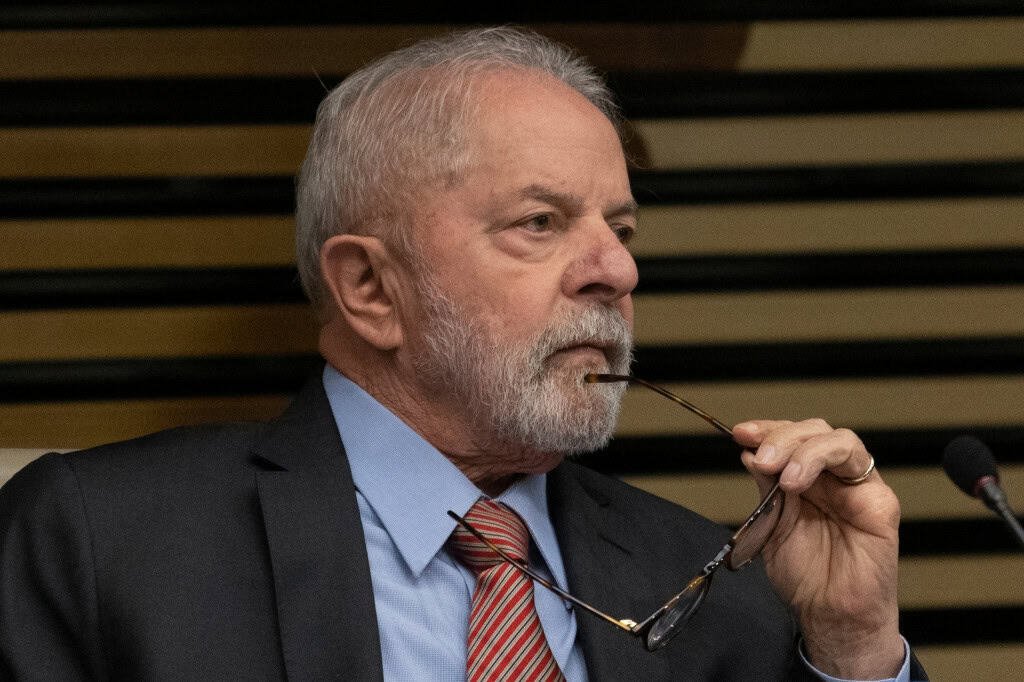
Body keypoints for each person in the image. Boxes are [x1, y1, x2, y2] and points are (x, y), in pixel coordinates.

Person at [0, 27, 926, 681]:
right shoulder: (101, 542)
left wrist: (852, 650)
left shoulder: (721, 576)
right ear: (370, 288)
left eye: (621, 228)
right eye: (540, 222)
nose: (617, 270)